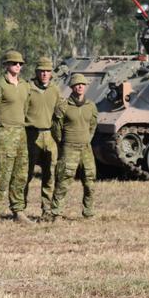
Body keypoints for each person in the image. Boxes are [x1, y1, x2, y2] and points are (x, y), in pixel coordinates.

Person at [0, 50, 30, 224]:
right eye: (14, 63)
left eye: (20, 64)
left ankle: (18, 211)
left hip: (21, 133)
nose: (18, 66)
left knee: (20, 174)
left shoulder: (25, 85)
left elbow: (25, 109)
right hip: (4, 134)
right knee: (1, 174)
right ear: (6, 65)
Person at [49, 73, 97, 220]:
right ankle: (57, 213)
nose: (80, 87)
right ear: (71, 87)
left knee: (90, 182)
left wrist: (87, 139)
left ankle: (88, 213)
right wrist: (63, 143)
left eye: (82, 84)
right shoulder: (63, 106)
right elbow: (56, 128)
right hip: (69, 148)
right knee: (63, 181)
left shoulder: (91, 106)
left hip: (86, 148)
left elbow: (93, 126)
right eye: (77, 84)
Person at [23, 56, 61, 220]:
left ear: (51, 73)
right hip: (31, 134)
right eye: (41, 71)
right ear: (36, 72)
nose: (45, 74)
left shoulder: (55, 89)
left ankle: (47, 210)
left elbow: (59, 112)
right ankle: (20, 210)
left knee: (49, 174)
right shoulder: (27, 88)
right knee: (25, 174)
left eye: (47, 71)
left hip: (49, 135)